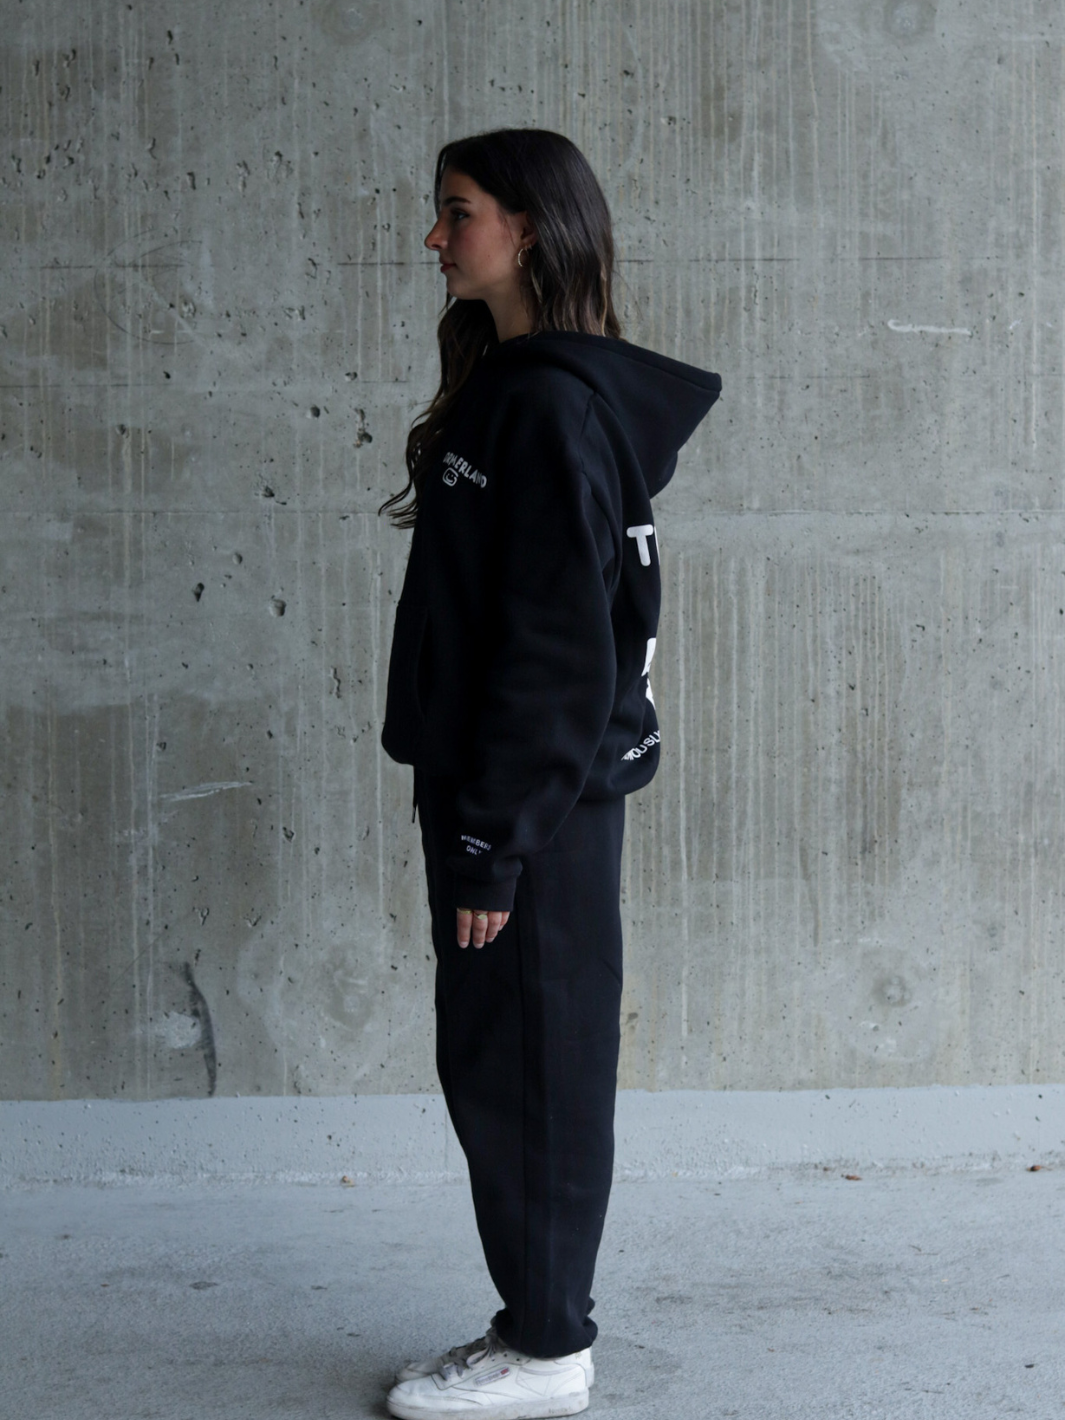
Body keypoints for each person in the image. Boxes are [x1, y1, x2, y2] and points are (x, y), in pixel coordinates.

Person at [378, 128, 720, 1420]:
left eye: (457, 212)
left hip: (531, 805)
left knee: (532, 1070)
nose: (435, 237)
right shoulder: (518, 387)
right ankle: (534, 1321)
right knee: (502, 1061)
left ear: (527, 230)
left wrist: (493, 841)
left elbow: (559, 654)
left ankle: (548, 1349)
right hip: (508, 791)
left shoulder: (554, 409)